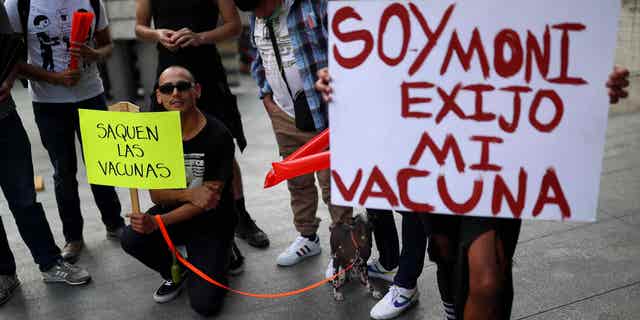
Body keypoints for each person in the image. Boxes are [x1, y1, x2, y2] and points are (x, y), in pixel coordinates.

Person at [316, 66, 631, 320]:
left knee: (487, 275)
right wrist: (347, 79)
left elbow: (541, 38)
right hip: (430, 152)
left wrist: (587, 78)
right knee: (447, 255)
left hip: (494, 151)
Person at [135, 0, 270, 249]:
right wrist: (157, 34)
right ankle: (180, 217)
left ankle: (240, 216)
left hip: (206, 70)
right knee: (168, 149)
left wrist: (200, 37)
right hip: (168, 72)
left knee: (222, 144)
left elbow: (234, 25)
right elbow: (140, 28)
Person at [233, 0, 356, 270]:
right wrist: (265, 95)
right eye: (252, 11)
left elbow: (346, 50)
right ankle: (308, 236)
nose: (259, 14)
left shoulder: (314, 5)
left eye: (261, 5)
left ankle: (344, 249)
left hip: (323, 111)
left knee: (333, 185)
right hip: (283, 113)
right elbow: (260, 56)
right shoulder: (257, 16)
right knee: (296, 180)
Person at [5, 0, 125, 262]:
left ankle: (114, 223)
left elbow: (108, 45)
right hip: (48, 103)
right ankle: (73, 236)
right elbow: (13, 60)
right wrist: (54, 79)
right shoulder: (19, 5)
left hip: (91, 95)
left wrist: (95, 55)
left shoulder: (92, 1)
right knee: (63, 170)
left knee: (101, 165)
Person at [121, 66, 238, 316]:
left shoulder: (219, 135)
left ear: (196, 91)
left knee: (205, 306)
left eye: (183, 86)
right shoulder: (154, 135)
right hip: (174, 216)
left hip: (212, 221)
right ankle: (176, 270)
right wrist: (186, 195)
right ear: (159, 96)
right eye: (167, 88)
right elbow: (157, 195)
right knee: (131, 236)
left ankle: (225, 251)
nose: (175, 93)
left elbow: (207, 202)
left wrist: (157, 222)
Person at [0, 3, 91, 307]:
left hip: (3, 119)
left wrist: (8, 79)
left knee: (24, 196)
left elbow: (12, 47)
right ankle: (4, 274)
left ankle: (50, 263)